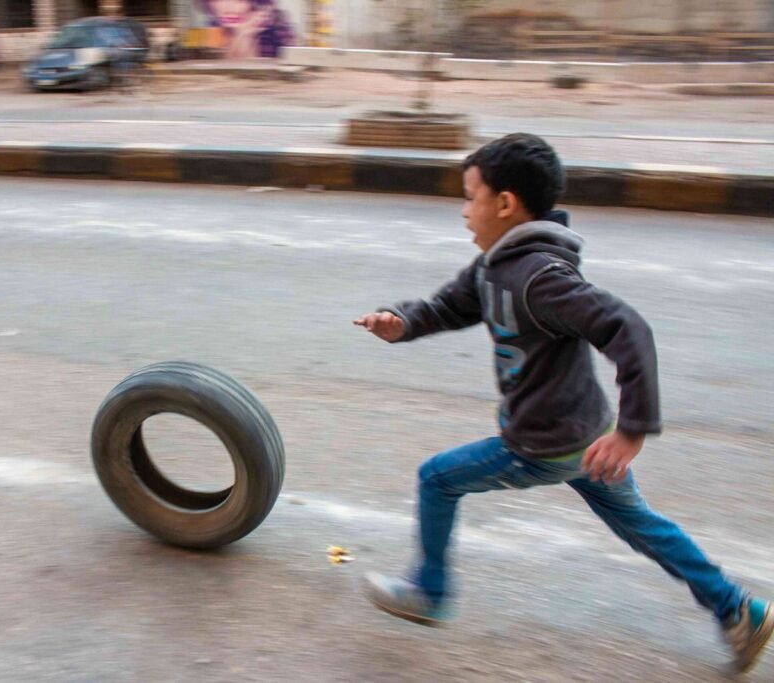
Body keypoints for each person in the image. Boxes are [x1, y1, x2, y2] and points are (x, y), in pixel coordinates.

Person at [353, 133, 772, 674]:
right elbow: (449, 305)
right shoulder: (493, 268)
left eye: (470, 197)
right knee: (643, 526)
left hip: (544, 443)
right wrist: (402, 321)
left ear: (505, 204)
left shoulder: (538, 278)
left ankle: (428, 591)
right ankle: (738, 610)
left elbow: (627, 328)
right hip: (585, 438)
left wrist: (633, 429)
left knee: (437, 478)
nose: (463, 211)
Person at [197, 0, 295, 59]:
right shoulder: (213, 28)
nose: (229, 9)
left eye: (240, 0)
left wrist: (246, 36)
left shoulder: (276, 31)